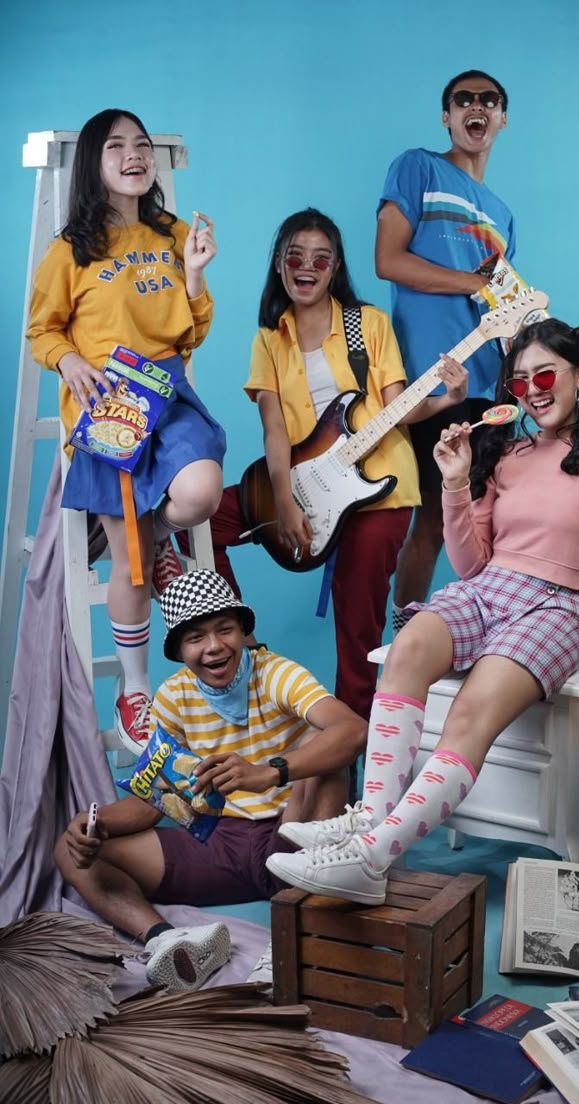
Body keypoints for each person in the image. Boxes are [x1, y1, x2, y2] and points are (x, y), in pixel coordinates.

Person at [265, 318, 579, 905]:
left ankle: (372, 858)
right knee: (410, 647)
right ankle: (368, 820)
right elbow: (470, 565)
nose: (533, 390)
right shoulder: (507, 451)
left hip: (556, 605)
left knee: (469, 714)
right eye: (519, 383)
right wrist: (454, 482)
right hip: (487, 589)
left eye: (544, 374)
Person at [180, 208, 467, 728]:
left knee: (357, 630)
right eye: (295, 256)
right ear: (279, 265)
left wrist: (448, 399)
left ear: (335, 268)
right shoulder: (269, 338)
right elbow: (273, 429)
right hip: (300, 482)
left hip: (379, 492)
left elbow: (400, 407)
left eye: (320, 258)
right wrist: (284, 500)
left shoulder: (368, 325)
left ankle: (349, 760)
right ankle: (240, 641)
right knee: (194, 522)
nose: (306, 267)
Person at [54, 568, 367, 991]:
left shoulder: (276, 673)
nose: (214, 646)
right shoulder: (173, 697)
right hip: (221, 844)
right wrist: (96, 824)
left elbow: (354, 730)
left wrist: (270, 772)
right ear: (180, 650)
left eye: (225, 630)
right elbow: (156, 800)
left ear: (242, 632)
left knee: (326, 745)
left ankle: (299, 929)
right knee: (69, 852)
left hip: (294, 833)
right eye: (196, 637)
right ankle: (170, 941)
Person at [26, 108, 226, 753]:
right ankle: (135, 691)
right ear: (94, 163)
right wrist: (72, 359)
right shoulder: (70, 249)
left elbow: (192, 332)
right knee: (134, 565)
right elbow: (40, 331)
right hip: (108, 404)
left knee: (201, 493)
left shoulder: (171, 233)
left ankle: (151, 527)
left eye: (142, 145)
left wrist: (194, 274)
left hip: (166, 390)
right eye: (117, 146)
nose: (135, 155)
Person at [375, 69, 515, 626]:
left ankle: (485, 633)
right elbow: (388, 260)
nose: (475, 107)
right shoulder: (418, 167)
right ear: (447, 116)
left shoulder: (503, 214)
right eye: (464, 99)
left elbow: (499, 301)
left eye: (489, 100)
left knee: (490, 519)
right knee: (434, 518)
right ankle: (408, 636)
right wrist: (475, 284)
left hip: (492, 384)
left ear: (502, 118)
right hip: (433, 382)